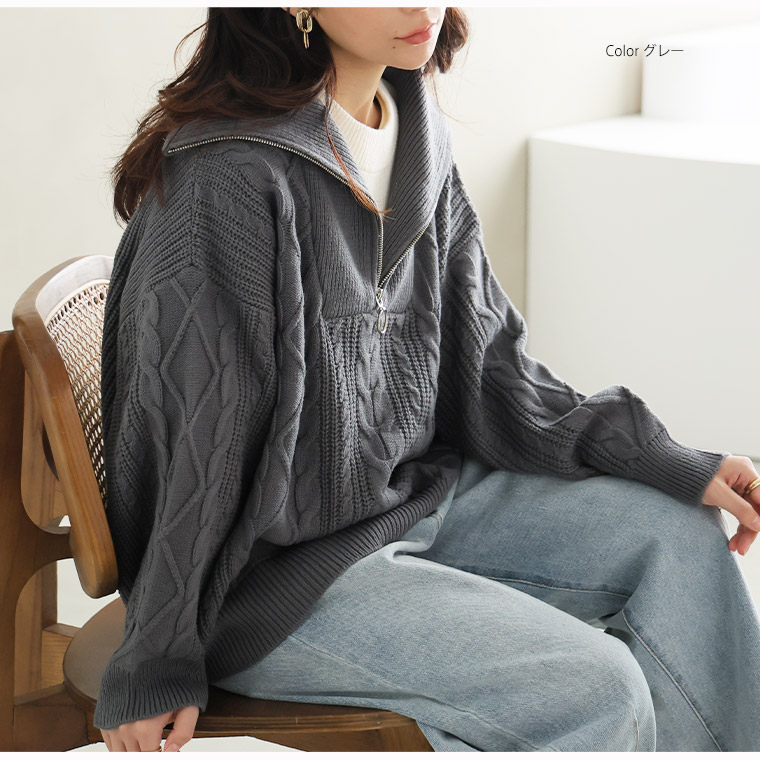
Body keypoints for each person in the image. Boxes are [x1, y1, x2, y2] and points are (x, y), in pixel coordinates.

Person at [95, 6, 760, 752]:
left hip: (413, 498)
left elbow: (490, 364)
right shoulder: (226, 178)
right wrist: (156, 659)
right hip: (272, 578)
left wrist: (665, 459)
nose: (421, 6)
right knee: (594, 689)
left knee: (684, 538)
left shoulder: (410, 129)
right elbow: (195, 450)